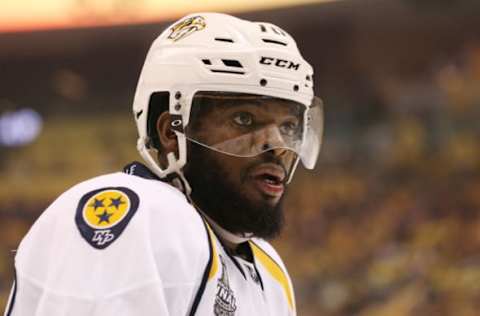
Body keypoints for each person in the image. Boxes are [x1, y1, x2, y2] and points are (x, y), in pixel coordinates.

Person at [4, 12, 323, 316]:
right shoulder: (142, 215)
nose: (276, 146)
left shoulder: (269, 270)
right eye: (244, 119)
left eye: (288, 127)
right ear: (172, 132)